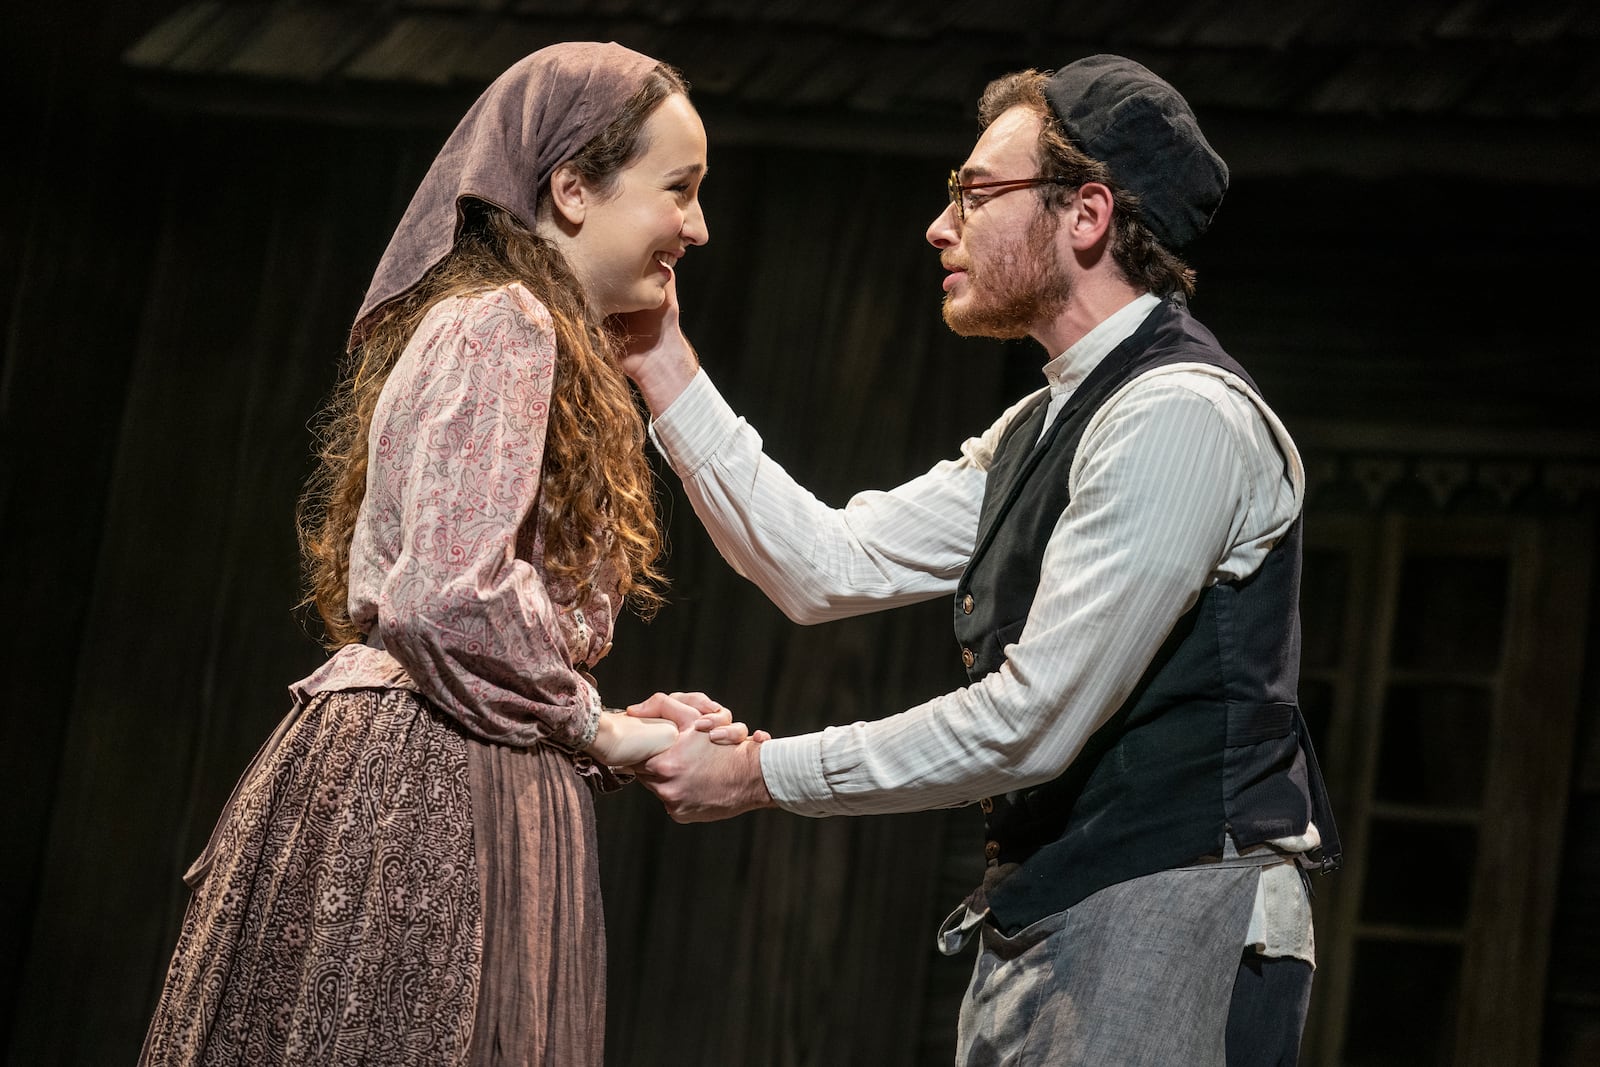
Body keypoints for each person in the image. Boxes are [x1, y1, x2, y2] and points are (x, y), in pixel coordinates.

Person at [620, 55, 1341, 1065]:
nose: (938, 223)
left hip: (1171, 907)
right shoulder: (1047, 424)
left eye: (974, 192)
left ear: (1085, 214)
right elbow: (825, 562)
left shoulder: (1179, 417)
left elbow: (1027, 721)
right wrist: (660, 360)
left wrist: (756, 772)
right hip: (1053, 917)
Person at [140, 41, 754, 1066]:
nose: (696, 225)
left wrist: (587, 714)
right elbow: (447, 599)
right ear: (571, 188)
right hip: (425, 778)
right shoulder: (504, 321)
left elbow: (483, 606)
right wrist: (594, 725)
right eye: (677, 189)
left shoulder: (536, 336)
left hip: (475, 758)